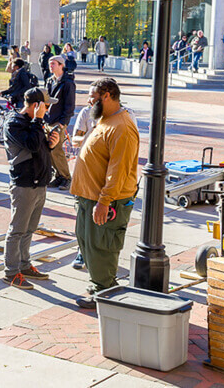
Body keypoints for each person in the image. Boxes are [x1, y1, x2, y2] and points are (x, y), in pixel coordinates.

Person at [70, 78, 139, 309]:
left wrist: (104, 201)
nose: (90, 102)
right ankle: (98, 283)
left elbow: (118, 170)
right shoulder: (106, 120)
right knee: (87, 243)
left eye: (93, 97)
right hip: (88, 197)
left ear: (107, 95)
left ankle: (105, 291)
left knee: (102, 247)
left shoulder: (122, 126)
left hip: (107, 202)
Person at [2, 88, 61, 290]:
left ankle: (24, 265)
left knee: (29, 229)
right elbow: (32, 145)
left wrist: (51, 145)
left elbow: (39, 148)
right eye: (46, 105)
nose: (49, 108)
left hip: (39, 183)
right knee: (17, 230)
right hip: (24, 184)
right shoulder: (14, 124)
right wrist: (37, 122)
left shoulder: (35, 124)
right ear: (36, 106)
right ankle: (11, 272)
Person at [44, 56, 76, 190]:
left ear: (61, 65)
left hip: (59, 122)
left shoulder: (68, 83)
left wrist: (63, 123)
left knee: (56, 151)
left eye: (53, 64)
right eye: (50, 64)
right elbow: (45, 101)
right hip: (48, 120)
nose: (51, 66)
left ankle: (67, 178)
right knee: (48, 150)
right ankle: (59, 176)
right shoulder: (50, 80)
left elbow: (69, 106)